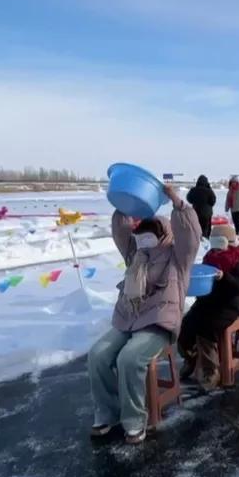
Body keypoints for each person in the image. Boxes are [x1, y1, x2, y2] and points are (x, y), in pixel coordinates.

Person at [87, 184, 201, 445]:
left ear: (164, 234)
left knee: (129, 358)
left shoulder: (178, 257)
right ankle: (106, 413)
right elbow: (120, 229)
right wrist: (125, 202)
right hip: (127, 320)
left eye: (152, 233)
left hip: (158, 323)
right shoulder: (134, 254)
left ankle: (134, 420)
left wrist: (177, 202)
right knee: (97, 355)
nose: (146, 237)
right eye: (142, 233)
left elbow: (190, 233)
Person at [177, 222, 239, 389]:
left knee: (205, 329)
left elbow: (238, 287)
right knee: (184, 326)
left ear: (228, 243)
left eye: (220, 244)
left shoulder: (236, 260)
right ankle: (191, 357)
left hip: (228, 306)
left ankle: (211, 371)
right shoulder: (210, 257)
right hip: (206, 302)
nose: (216, 249)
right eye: (214, 244)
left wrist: (224, 277)